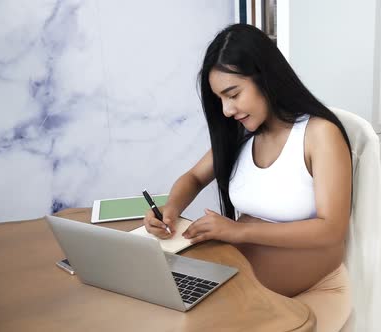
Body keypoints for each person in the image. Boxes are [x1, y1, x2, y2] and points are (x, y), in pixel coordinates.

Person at [144, 23, 352, 332]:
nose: (227, 110)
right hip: (244, 282)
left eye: (233, 94)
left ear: (265, 78)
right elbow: (193, 178)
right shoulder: (243, 133)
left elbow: (331, 230)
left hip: (310, 291)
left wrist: (237, 232)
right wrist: (171, 207)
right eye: (220, 100)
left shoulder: (319, 135)